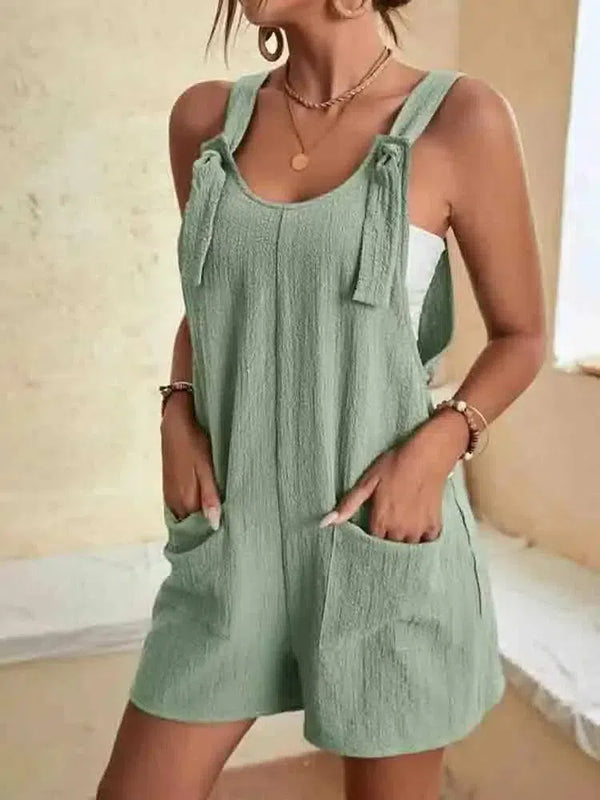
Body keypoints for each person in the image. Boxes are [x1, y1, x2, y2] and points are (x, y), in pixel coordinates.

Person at [96, 1, 546, 798]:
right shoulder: (205, 120)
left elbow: (522, 336)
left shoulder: (461, 119)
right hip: (231, 540)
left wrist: (438, 447)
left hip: (379, 534)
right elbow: (212, 302)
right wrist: (176, 407)